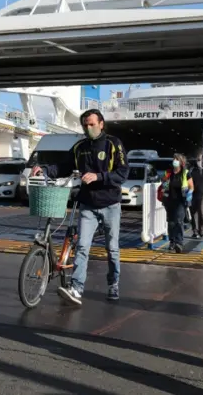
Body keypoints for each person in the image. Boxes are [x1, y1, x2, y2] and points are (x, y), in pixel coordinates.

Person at [31, 109, 128, 305]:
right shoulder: (79, 147)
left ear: (101, 124)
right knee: (82, 246)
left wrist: (99, 177)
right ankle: (76, 288)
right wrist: (46, 169)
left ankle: (113, 283)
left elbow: (123, 172)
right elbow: (63, 166)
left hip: (110, 203)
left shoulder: (113, 144)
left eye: (92, 124)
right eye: (85, 124)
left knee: (112, 248)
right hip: (88, 204)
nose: (88, 127)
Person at [159, 153, 194, 252]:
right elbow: (164, 185)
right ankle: (172, 242)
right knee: (171, 223)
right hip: (169, 201)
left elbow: (191, 186)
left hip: (181, 201)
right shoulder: (168, 172)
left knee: (178, 222)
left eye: (176, 159)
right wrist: (164, 184)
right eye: (174, 159)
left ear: (181, 162)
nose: (174, 161)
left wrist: (190, 194)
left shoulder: (186, 173)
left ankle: (179, 243)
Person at [188, 158, 203, 238]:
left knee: (202, 211)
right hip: (194, 194)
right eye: (198, 159)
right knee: (194, 213)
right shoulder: (192, 170)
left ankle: (202, 230)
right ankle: (195, 231)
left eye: (200, 159)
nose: (199, 161)